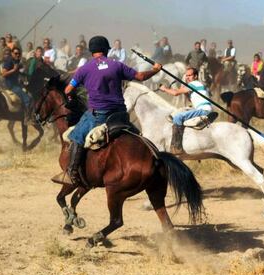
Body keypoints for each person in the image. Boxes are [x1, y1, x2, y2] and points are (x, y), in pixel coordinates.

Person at [63, 35, 162, 186]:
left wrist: (71, 97)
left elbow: (68, 90)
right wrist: (155, 70)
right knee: (137, 136)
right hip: (120, 114)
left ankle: (72, 172)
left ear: (91, 51)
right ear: (105, 50)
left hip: (98, 115)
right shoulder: (117, 65)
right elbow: (141, 76)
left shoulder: (84, 69)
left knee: (76, 136)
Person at [159, 67, 212, 154]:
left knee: (178, 117)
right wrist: (184, 89)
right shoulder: (198, 84)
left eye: (190, 75)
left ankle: (177, 147)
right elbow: (191, 100)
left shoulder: (193, 84)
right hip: (204, 108)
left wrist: (164, 89)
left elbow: (175, 93)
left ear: (195, 76)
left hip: (203, 109)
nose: (187, 77)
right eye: (186, 76)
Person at [1, 47, 31, 122]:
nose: (17, 55)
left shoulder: (16, 61)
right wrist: (13, 70)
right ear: (12, 53)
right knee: (28, 99)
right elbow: (3, 74)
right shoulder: (9, 61)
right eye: (15, 53)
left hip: (16, 84)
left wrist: (25, 75)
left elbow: (18, 71)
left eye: (19, 53)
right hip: (10, 85)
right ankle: (27, 117)